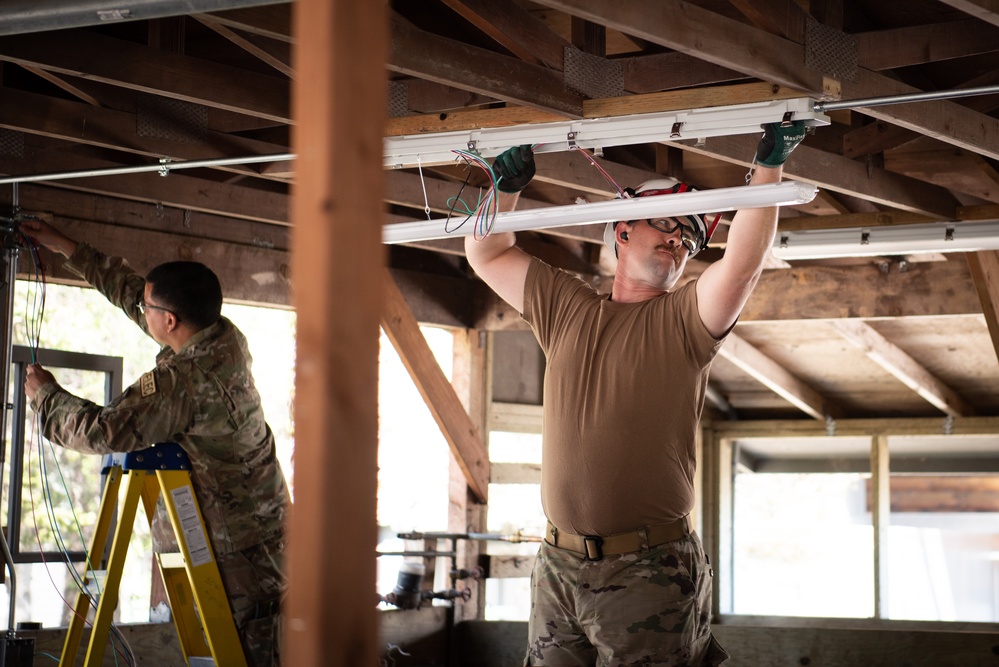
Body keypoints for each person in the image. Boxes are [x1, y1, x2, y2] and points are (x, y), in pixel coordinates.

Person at [471, 122, 806, 666]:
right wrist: (503, 189)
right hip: (558, 563)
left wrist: (768, 169)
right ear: (622, 231)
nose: (679, 241)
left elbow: (741, 266)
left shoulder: (685, 319)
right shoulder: (566, 307)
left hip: (648, 569)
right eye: (669, 224)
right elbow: (486, 253)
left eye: (691, 238)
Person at [21, 219, 289, 667]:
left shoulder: (182, 383)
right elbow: (136, 295)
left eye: (149, 309)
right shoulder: (222, 337)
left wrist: (45, 396)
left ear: (169, 321)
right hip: (276, 541)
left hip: (240, 565)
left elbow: (102, 432)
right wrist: (66, 246)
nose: (140, 312)